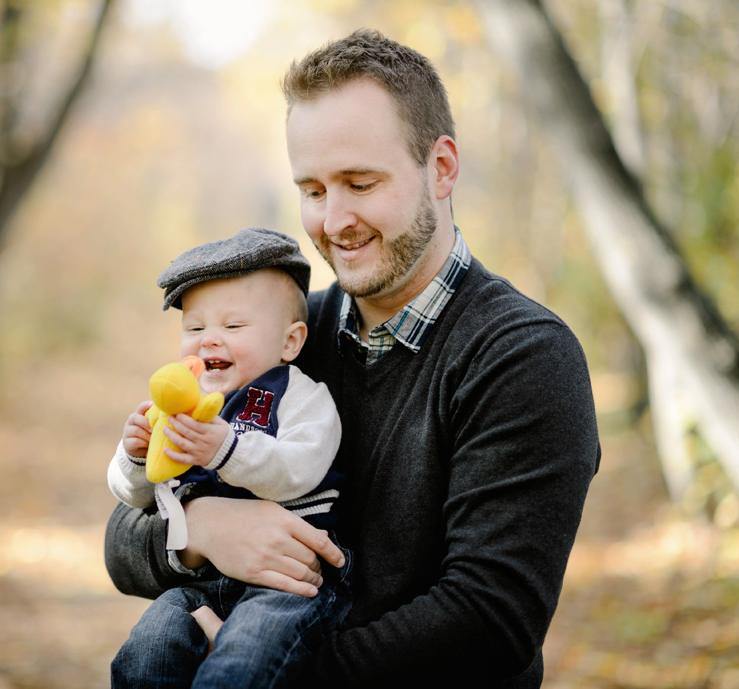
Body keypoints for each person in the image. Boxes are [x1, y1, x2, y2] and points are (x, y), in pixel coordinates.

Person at [104, 29, 600, 688]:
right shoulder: (283, 333)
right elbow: (122, 539)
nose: (334, 220)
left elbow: (489, 620)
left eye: (359, 183)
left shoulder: (522, 357)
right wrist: (203, 527)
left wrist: (263, 669)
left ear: (442, 168)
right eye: (312, 190)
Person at [107, 228, 347, 688]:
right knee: (148, 648)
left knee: (241, 665)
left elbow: (301, 468)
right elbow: (139, 499)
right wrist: (135, 457)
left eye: (232, 327)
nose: (208, 341)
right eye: (195, 328)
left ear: (290, 342)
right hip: (201, 583)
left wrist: (225, 449)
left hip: (288, 582)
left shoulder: (300, 397)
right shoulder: (185, 403)